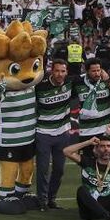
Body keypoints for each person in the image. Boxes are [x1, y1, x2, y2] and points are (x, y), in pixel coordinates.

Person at [35, 59, 73, 210]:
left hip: (62, 133)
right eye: (57, 71)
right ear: (51, 71)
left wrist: (103, 74)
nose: (60, 74)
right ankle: (42, 201)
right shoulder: (40, 85)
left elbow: (91, 77)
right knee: (43, 169)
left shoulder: (71, 82)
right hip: (43, 133)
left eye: (63, 71)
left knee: (59, 169)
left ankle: (52, 199)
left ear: (67, 72)